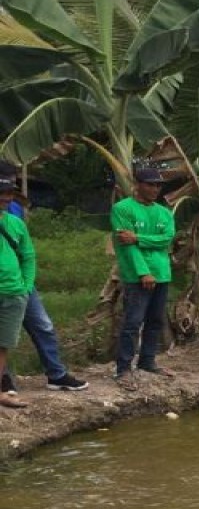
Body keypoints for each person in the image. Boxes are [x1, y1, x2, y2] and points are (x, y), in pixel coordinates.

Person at [0, 161, 89, 401]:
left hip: (19, 282)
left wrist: (27, 284)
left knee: (42, 325)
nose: (8, 192)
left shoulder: (15, 211)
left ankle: (56, 374)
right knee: (3, 338)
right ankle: (4, 380)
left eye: (11, 184)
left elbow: (25, 250)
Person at [112, 167, 176, 384]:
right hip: (137, 275)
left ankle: (147, 361)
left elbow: (166, 240)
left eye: (158, 185)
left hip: (162, 273)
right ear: (137, 184)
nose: (155, 188)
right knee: (133, 321)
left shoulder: (164, 212)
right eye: (150, 184)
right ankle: (123, 368)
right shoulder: (123, 209)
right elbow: (126, 245)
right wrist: (143, 272)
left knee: (155, 321)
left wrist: (138, 237)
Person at [0, 179, 36, 408]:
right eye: (1, 193)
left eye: (8, 193)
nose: (5, 197)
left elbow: (28, 255)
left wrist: (26, 286)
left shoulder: (16, 223)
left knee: (2, 346)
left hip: (14, 292)